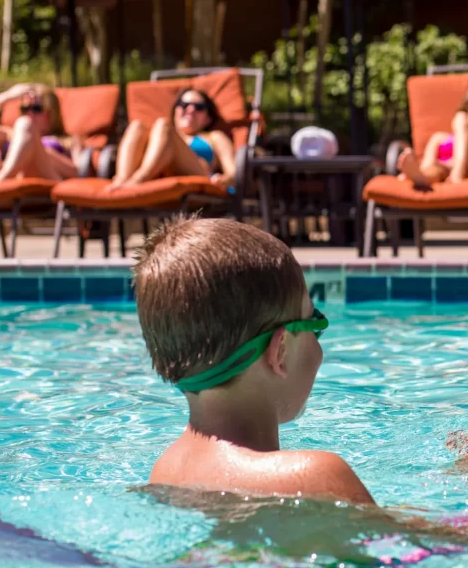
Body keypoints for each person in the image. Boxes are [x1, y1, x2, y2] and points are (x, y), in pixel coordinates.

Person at [133, 216, 373, 504]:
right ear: (280, 350)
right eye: (314, 324)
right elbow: (410, 546)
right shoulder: (313, 477)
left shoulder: (164, 472)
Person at [108, 88, 236, 189]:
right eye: (184, 104)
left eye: (199, 107)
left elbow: (233, 172)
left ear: (208, 118)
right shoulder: (156, 134)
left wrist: (225, 179)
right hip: (159, 175)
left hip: (198, 174)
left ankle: (138, 180)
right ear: (175, 111)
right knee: (137, 126)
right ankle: (121, 179)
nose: (190, 110)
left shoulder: (214, 136)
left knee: (164, 125)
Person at [0, 83, 79, 186]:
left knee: (25, 124)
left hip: (42, 183)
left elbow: (78, 173)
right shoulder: (11, 134)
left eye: (37, 109)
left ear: (52, 112)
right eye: (24, 109)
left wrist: (37, 149)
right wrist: (8, 96)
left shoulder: (69, 140)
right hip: (5, 191)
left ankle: (0, 181)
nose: (29, 114)